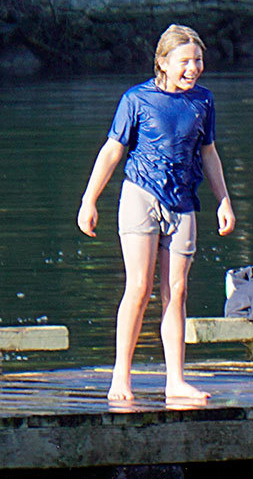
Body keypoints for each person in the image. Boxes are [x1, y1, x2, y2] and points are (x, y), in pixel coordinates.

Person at [77, 24, 235, 402]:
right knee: (139, 287)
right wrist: (89, 200)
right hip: (141, 196)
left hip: (183, 203)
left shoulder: (203, 101)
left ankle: (175, 380)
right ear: (163, 62)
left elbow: (208, 153)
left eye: (198, 60)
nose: (193, 68)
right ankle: (121, 377)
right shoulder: (136, 99)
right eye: (184, 62)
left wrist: (224, 199)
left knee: (176, 291)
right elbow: (113, 150)